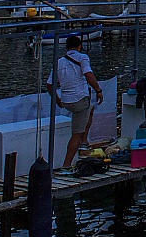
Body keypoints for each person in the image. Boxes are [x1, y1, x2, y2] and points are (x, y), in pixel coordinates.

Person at [44, 35, 104, 170]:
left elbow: (49, 85)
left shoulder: (59, 61)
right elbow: (88, 75)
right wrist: (98, 90)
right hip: (79, 100)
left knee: (91, 108)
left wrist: (58, 100)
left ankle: (84, 141)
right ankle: (67, 164)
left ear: (66, 47)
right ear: (80, 46)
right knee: (76, 133)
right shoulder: (83, 57)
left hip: (66, 101)